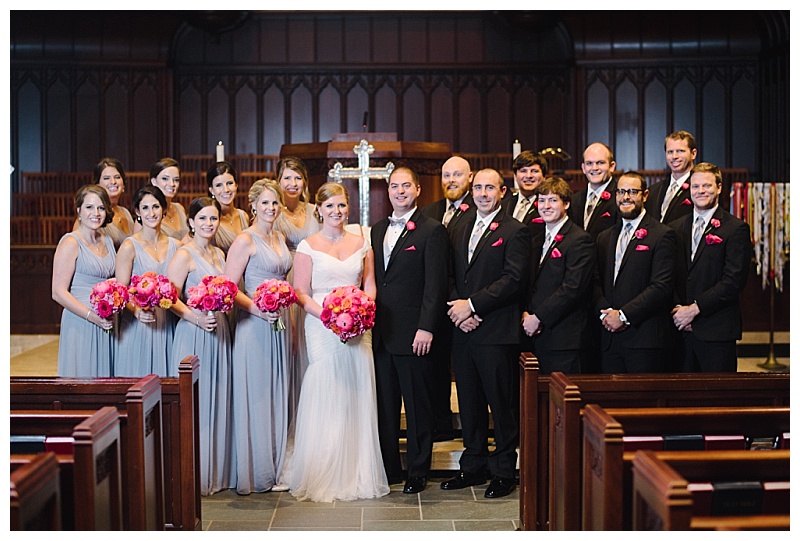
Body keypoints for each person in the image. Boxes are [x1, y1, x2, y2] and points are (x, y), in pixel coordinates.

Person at [287, 182, 388, 502]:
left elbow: (369, 284)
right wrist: (330, 316)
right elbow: (300, 292)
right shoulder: (307, 246)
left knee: (357, 387)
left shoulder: (362, 243)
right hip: (321, 325)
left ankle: (357, 469)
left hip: (359, 327)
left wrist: (362, 311)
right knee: (326, 387)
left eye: (342, 205)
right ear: (319, 209)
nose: (336, 211)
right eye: (330, 206)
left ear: (349, 207)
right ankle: (324, 467)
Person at [442, 168, 531, 499]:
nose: (482, 193)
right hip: (463, 330)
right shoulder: (459, 226)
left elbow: (513, 279)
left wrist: (474, 306)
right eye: (477, 187)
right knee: (470, 403)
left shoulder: (515, 231)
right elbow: (448, 273)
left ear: (502, 191)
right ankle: (473, 464)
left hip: (495, 330)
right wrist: (458, 310)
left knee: (501, 404)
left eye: (489, 187)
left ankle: (504, 470)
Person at [370, 167, 448, 494]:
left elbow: (436, 285)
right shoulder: (376, 230)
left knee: (417, 407)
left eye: (406, 186)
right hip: (381, 333)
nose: (400, 191)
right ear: (387, 191)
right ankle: (390, 470)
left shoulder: (432, 231)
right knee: (386, 407)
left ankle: (418, 471)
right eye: (394, 186)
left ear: (417, 189)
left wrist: (426, 327)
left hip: (415, 333)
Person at [226, 179, 294, 494]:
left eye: (275, 202)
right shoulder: (245, 240)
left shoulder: (279, 236)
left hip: (280, 323)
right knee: (258, 394)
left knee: (278, 391)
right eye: (264, 203)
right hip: (254, 326)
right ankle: (258, 471)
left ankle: (279, 465)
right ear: (253, 206)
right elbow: (228, 289)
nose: (270, 208)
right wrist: (258, 309)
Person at [168, 196, 235, 496]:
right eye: (203, 219)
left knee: (218, 397)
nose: (209, 224)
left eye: (213, 219)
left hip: (218, 331)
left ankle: (215, 470)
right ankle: (192, 475)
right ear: (191, 222)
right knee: (196, 402)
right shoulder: (184, 255)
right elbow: (169, 297)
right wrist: (195, 318)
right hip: (193, 333)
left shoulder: (220, 255)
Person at [670, 162, 752, 372]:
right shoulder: (675, 227)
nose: (701, 191)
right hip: (679, 328)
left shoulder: (736, 229)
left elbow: (733, 281)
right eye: (696, 186)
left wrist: (695, 310)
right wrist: (680, 312)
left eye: (706, 186)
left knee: (718, 399)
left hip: (716, 330)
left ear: (719, 187)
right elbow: (668, 275)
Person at [593, 171, 677, 373]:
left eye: (632, 191)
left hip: (643, 339)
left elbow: (661, 286)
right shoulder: (604, 237)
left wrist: (623, 315)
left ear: (645, 195)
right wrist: (606, 314)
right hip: (609, 337)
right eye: (621, 192)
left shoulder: (662, 235)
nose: (626, 197)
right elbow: (595, 281)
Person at [420, 155, 477, 441]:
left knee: (467, 378)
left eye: (457, 175)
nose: (451, 180)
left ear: (470, 178)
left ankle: (470, 436)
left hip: (465, 307)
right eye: (446, 175)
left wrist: (463, 305)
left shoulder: (477, 211)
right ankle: (440, 427)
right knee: (434, 371)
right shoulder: (428, 212)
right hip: (435, 305)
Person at [521, 177, 595, 374]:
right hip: (535, 335)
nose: (546, 206)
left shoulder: (579, 240)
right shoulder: (536, 239)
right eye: (542, 200)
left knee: (562, 401)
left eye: (553, 200)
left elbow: (573, 288)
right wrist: (526, 313)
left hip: (564, 338)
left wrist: (538, 317)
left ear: (567, 204)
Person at [273, 156, 321, 434]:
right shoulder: (272, 211)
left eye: (297, 177)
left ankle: (312, 424)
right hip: (284, 282)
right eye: (287, 178)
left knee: (311, 352)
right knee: (290, 352)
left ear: (304, 182)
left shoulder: (315, 211)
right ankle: (288, 427)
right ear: (278, 181)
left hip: (313, 283)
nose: (292, 183)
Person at [52, 184, 116, 377]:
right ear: (79, 210)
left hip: (106, 321)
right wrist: (92, 316)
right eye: (89, 207)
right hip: (81, 322)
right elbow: (58, 292)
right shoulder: (71, 242)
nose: (95, 213)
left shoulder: (107, 240)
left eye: (101, 208)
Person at [114, 186, 179, 377]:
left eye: (156, 207)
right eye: (145, 208)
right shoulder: (129, 247)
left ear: (163, 209)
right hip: (139, 325)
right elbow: (120, 291)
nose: (151, 213)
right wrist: (136, 311)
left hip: (167, 323)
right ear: (137, 212)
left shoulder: (176, 246)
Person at [73, 157, 135, 249]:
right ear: (97, 184)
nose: (113, 182)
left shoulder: (126, 212)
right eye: (106, 178)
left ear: (123, 183)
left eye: (117, 177)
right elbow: (79, 249)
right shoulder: (91, 215)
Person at [644, 130, 697, 223]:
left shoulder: (700, 189)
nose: (674, 156)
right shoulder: (653, 190)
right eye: (670, 152)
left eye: (680, 151)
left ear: (693, 154)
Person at [569, 142, 619, 239]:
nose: (594, 168)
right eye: (589, 163)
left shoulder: (620, 197)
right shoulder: (575, 199)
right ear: (583, 168)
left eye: (600, 163)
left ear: (611, 166)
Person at [207, 161, 249, 254]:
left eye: (229, 183)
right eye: (219, 185)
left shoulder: (244, 216)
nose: (225, 190)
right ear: (211, 190)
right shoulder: (209, 220)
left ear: (236, 185)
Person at [503, 150, 547, 231]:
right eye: (523, 171)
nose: (528, 176)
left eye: (534, 171)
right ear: (515, 176)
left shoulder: (547, 206)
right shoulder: (504, 205)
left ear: (544, 177)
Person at [148, 157, 189, 241]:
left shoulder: (179, 208)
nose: (172, 184)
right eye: (165, 179)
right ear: (154, 181)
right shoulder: (146, 213)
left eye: (176, 180)